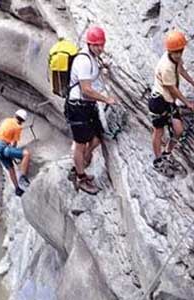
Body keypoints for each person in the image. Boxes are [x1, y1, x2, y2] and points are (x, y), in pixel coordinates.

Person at [66, 26, 116, 195]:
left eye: (102, 45)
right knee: (79, 145)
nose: (101, 48)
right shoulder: (83, 61)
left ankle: (81, 163)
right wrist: (105, 99)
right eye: (97, 45)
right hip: (77, 107)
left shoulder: (92, 57)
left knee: (95, 140)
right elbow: (86, 89)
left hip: (87, 106)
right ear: (90, 44)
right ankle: (80, 177)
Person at [149, 31, 194, 164]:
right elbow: (172, 89)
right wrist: (188, 103)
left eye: (181, 51)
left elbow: (181, 70)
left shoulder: (176, 58)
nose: (179, 54)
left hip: (169, 102)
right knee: (159, 131)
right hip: (159, 101)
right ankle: (158, 160)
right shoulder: (166, 66)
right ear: (170, 50)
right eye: (176, 52)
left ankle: (167, 153)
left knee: (179, 130)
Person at [0, 109, 32, 197]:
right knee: (26, 154)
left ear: (15, 115)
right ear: (23, 121)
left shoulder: (6, 120)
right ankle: (23, 177)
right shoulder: (18, 127)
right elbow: (14, 143)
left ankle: (17, 189)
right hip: (4, 148)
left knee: (10, 168)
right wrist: (13, 153)